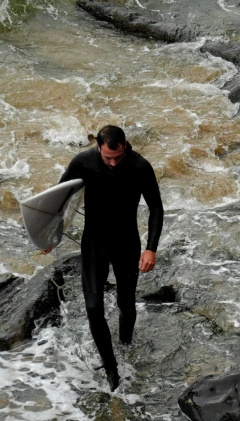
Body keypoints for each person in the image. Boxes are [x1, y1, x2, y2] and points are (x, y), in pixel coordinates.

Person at [57, 125, 164, 391]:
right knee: (93, 307)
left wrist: (151, 248)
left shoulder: (140, 167)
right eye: (108, 158)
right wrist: (48, 235)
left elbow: (156, 209)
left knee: (126, 303)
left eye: (118, 157)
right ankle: (111, 368)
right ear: (98, 148)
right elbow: (59, 199)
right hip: (94, 243)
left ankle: (126, 343)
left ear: (125, 145)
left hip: (127, 244)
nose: (113, 163)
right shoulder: (83, 162)